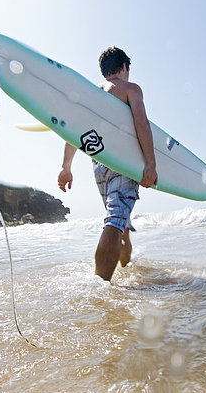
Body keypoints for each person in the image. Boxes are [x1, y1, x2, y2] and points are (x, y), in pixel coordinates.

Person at [58, 47, 158, 281]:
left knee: (121, 222)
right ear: (124, 67)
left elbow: (74, 131)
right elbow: (141, 123)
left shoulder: (92, 94)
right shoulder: (130, 89)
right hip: (122, 164)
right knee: (115, 221)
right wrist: (151, 164)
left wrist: (66, 167)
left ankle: (126, 271)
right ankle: (99, 288)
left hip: (99, 165)